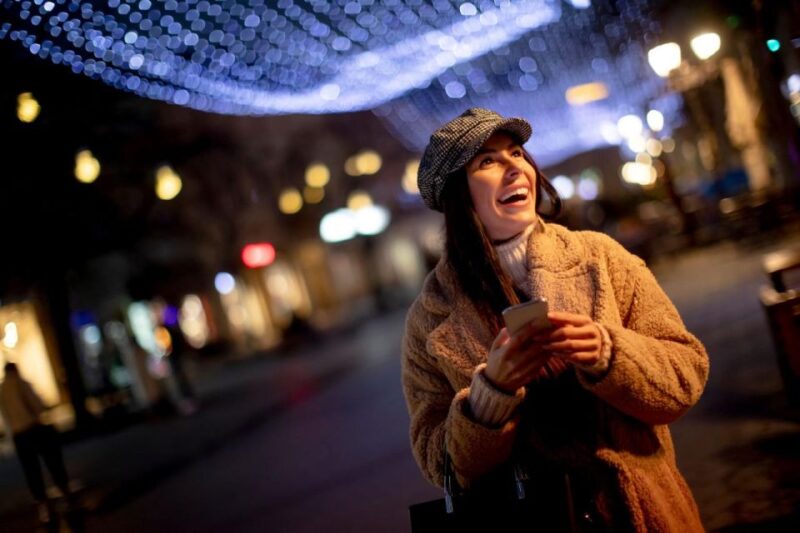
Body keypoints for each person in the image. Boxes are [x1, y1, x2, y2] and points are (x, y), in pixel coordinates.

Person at [401, 108, 709, 531]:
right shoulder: (430, 318)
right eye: (487, 161)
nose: (514, 167)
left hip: (644, 515)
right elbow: (439, 462)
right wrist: (489, 397)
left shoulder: (601, 257)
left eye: (516, 152)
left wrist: (608, 353)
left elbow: (685, 377)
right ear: (456, 194)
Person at [0, 362, 74, 524]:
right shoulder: (21, 382)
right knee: (52, 462)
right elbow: (38, 405)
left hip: (18, 435)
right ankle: (66, 496)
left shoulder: (2, 389)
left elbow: (5, 416)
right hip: (34, 429)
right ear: (15, 369)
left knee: (31, 472)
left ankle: (44, 506)